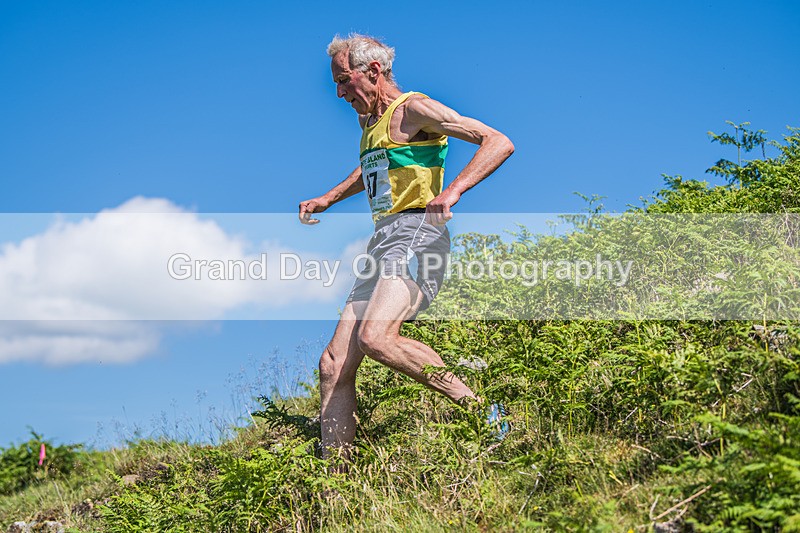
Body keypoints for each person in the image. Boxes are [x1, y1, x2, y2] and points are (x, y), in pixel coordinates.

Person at [298, 33, 514, 461]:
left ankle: (486, 413)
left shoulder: (414, 108)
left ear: (373, 71)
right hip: (383, 241)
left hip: (417, 232)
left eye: (343, 81)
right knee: (333, 364)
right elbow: (372, 166)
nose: (339, 93)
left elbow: (497, 141)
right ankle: (334, 485)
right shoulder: (370, 123)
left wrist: (452, 191)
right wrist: (329, 197)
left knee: (376, 337)